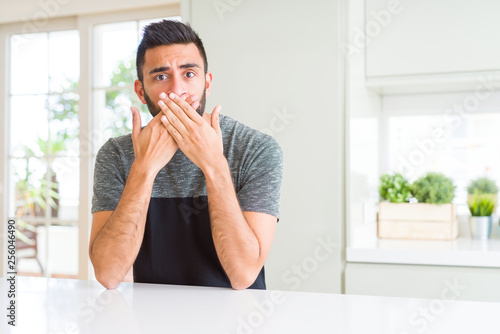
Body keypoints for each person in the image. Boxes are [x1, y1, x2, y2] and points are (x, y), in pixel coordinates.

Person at [89, 20, 283, 290]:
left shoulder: (255, 148)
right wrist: (143, 169)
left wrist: (214, 165)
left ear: (207, 82)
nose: (177, 90)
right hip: (152, 319)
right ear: (140, 91)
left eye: (189, 74)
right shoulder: (116, 155)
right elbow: (108, 274)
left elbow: (243, 275)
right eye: (160, 76)